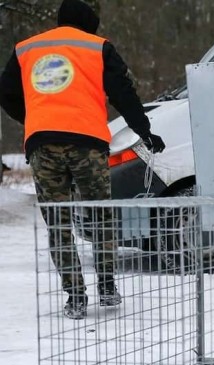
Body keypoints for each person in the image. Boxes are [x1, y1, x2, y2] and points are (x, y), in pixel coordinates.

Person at [0, 0, 165, 319]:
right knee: (101, 215)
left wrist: (34, 118)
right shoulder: (98, 47)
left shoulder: (26, 49)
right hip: (87, 144)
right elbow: (123, 93)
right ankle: (106, 287)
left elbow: (5, 92)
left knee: (57, 222)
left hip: (43, 145)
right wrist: (144, 132)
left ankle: (75, 297)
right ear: (90, 24)